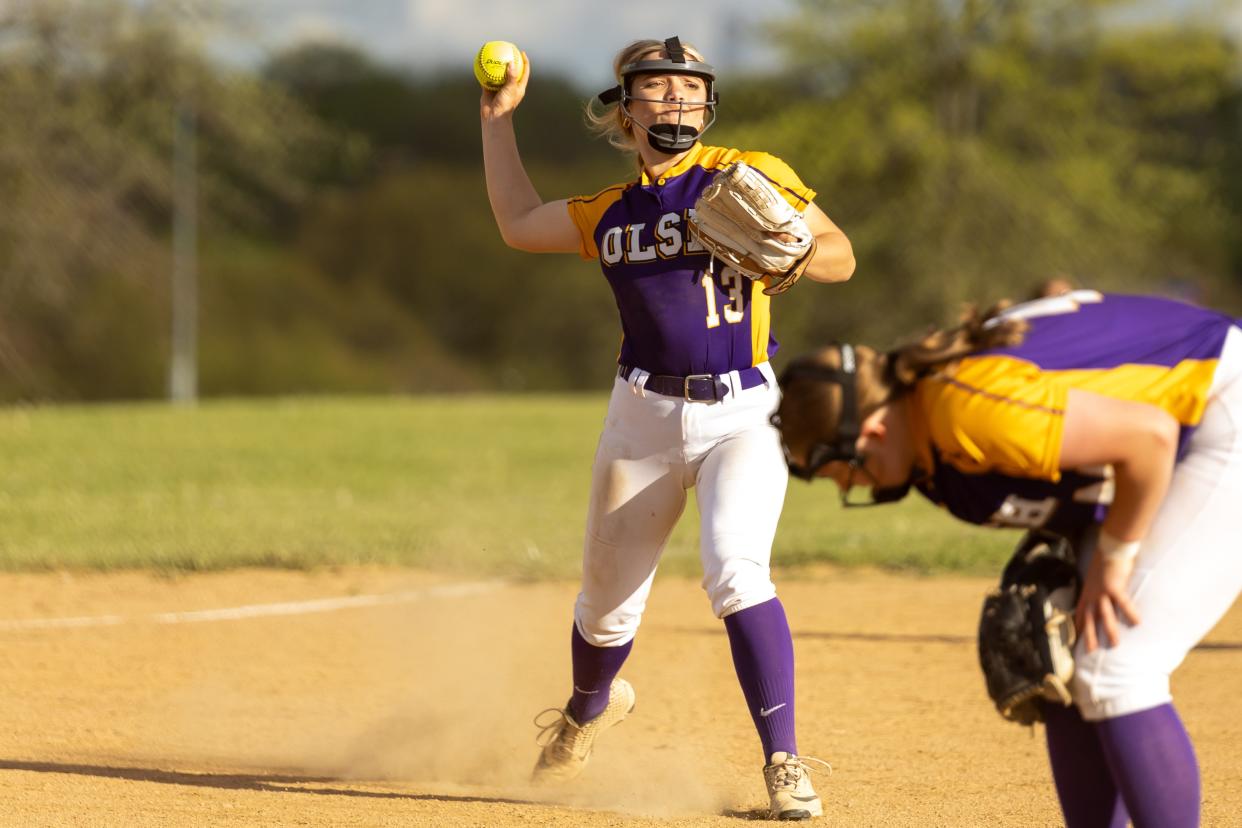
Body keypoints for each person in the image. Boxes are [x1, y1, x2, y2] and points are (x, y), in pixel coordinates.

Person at [479, 35, 855, 818]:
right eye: (658, 88)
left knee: (735, 568)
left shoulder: (746, 173)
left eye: (690, 87)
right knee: (605, 608)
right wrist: (497, 118)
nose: (677, 99)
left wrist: (792, 255)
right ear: (626, 110)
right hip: (641, 418)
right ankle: (585, 711)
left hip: (746, 411)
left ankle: (784, 763)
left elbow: (840, 255)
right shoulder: (609, 212)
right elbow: (516, 223)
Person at [772, 289, 1242, 827]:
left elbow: (1149, 439)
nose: (852, 486)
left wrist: (1114, 559)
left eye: (846, 472)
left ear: (873, 431)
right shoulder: (927, 425)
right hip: (1184, 423)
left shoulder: (959, 408)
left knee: (1119, 667)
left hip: (1222, 406)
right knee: (1060, 656)